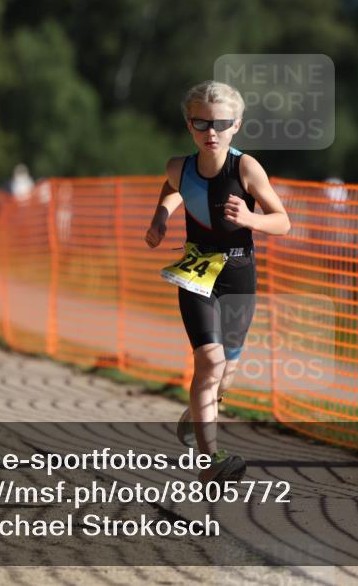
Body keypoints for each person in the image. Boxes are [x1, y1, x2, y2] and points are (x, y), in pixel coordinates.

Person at [145, 80, 290, 484]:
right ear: (189, 125)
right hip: (196, 272)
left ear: (236, 126)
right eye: (202, 123)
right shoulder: (179, 166)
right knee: (208, 361)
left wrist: (251, 219)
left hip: (239, 274)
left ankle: (196, 413)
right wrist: (161, 215)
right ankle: (212, 461)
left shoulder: (246, 168)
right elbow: (175, 187)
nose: (212, 132)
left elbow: (284, 220)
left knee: (225, 372)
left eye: (221, 124)